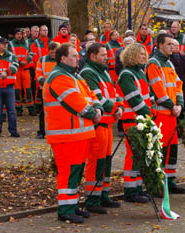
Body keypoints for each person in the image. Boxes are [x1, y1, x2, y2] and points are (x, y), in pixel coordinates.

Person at [43, 43, 103, 223]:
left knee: (75, 172)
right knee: (68, 173)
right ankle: (65, 210)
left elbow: (91, 96)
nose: (78, 58)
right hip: (66, 135)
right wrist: (94, 113)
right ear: (63, 58)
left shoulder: (73, 76)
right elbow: (76, 102)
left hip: (77, 134)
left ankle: (72, 205)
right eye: (74, 55)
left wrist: (98, 107)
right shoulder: (59, 77)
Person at [79, 43, 123, 213]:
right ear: (92, 56)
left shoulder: (103, 71)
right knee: (96, 161)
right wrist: (115, 108)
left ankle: (104, 195)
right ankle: (92, 198)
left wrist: (118, 106)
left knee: (106, 161)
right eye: (103, 55)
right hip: (97, 124)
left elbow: (113, 93)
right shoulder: (88, 73)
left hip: (107, 122)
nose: (107, 57)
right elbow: (98, 97)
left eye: (106, 54)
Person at [146, 33, 185, 194]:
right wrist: (172, 105)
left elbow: (178, 84)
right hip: (161, 113)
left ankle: (170, 180)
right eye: (168, 44)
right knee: (160, 148)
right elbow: (157, 90)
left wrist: (180, 104)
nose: (172, 47)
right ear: (160, 45)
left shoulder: (169, 63)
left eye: (172, 44)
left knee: (172, 147)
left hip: (172, 113)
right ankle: (158, 182)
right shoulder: (153, 63)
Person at [116, 43, 156, 203]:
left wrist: (150, 113)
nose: (144, 56)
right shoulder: (127, 74)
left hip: (142, 119)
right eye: (140, 54)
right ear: (132, 55)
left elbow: (148, 95)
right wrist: (149, 114)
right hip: (133, 119)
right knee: (133, 155)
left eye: (144, 53)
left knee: (140, 155)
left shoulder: (139, 72)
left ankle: (138, 187)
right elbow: (134, 99)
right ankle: (130, 190)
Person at [0, 37, 19, 137]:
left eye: (6, 44)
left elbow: (15, 66)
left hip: (9, 86)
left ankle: (13, 131)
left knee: (11, 111)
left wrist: (6, 72)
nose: (6, 45)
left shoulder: (11, 56)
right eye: (3, 44)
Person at [35, 42, 60, 139]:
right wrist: (45, 83)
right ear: (48, 51)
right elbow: (38, 73)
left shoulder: (62, 59)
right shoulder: (42, 60)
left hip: (58, 89)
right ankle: (42, 131)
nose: (53, 54)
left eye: (55, 52)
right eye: (52, 52)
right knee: (43, 112)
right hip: (45, 89)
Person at [8, 28, 35, 116]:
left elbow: (31, 54)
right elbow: (8, 55)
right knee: (17, 90)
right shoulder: (10, 44)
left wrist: (26, 61)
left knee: (28, 90)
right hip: (16, 70)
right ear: (14, 35)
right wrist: (18, 61)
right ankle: (18, 109)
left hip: (25, 69)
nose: (19, 35)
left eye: (20, 34)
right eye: (17, 34)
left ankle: (31, 108)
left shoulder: (27, 43)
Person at [170, 39, 185, 108]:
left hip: (182, 84)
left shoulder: (183, 58)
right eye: (174, 45)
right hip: (172, 85)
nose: (176, 47)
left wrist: (182, 80)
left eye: (177, 45)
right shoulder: (168, 59)